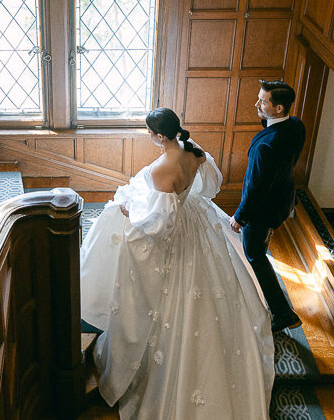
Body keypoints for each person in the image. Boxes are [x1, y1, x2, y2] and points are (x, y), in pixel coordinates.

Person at [80, 108, 274, 420]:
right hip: (197, 223)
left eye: (149, 132)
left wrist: (132, 214)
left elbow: (160, 224)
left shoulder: (162, 166)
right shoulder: (193, 149)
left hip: (176, 237)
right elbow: (211, 185)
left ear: (158, 136)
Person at [230, 80, 306, 333]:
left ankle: (283, 313)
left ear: (279, 109)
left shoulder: (266, 146)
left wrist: (240, 217)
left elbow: (257, 188)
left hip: (263, 211)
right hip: (282, 200)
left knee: (255, 255)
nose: (256, 104)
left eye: (263, 102)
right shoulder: (296, 126)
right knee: (259, 249)